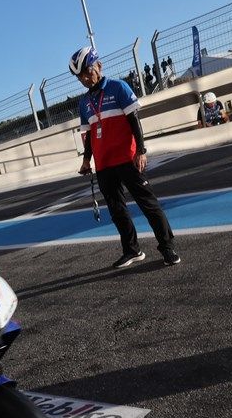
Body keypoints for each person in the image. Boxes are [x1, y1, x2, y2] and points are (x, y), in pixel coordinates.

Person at [70, 46, 181, 268]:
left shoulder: (118, 87)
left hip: (127, 158)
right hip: (104, 164)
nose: (85, 79)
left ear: (98, 65)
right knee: (117, 211)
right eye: (79, 76)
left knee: (147, 204)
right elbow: (89, 135)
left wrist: (141, 150)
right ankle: (132, 250)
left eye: (87, 72)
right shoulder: (84, 103)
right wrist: (86, 160)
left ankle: (167, 247)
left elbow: (134, 120)